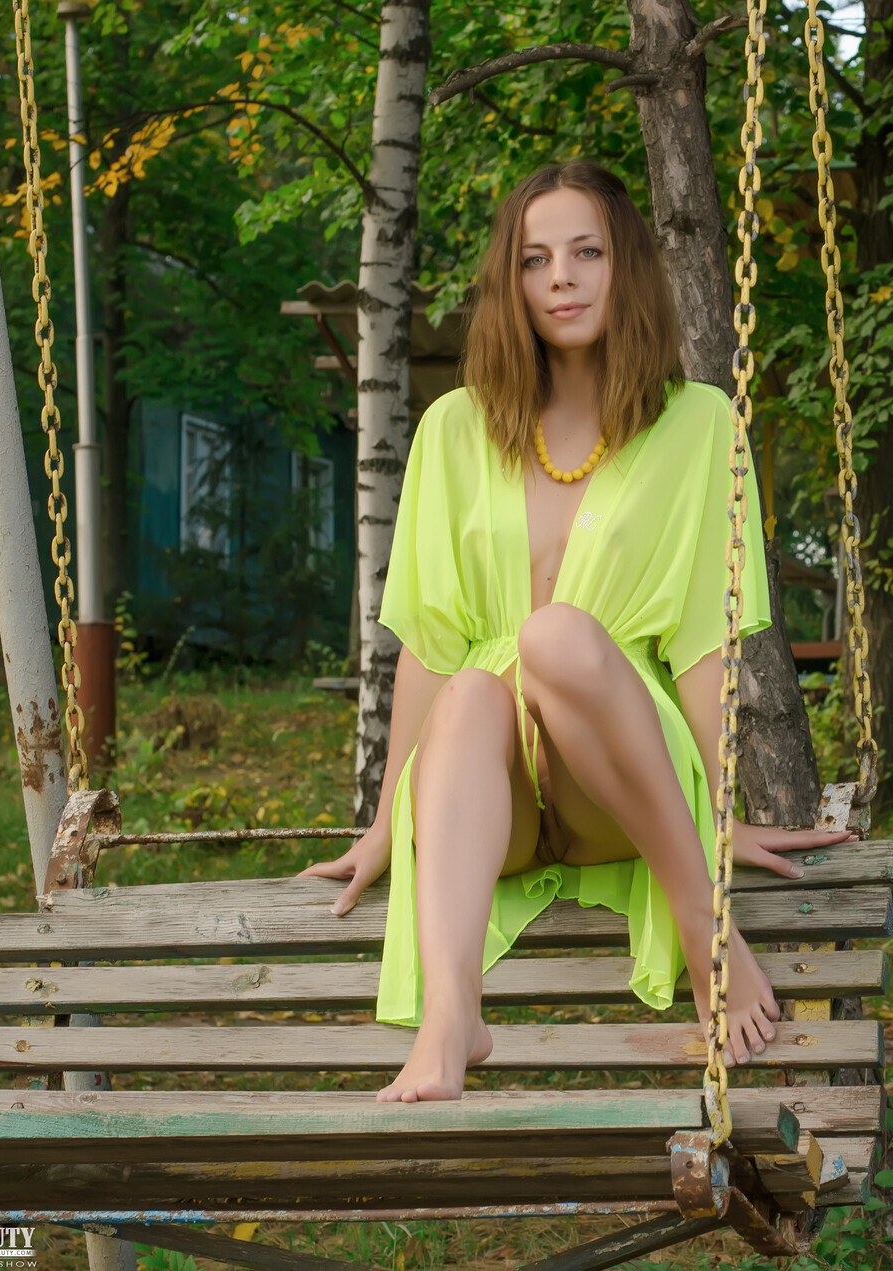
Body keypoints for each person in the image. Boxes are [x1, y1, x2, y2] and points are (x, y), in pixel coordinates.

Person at [299, 160, 854, 1103]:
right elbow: (431, 648)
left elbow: (702, 645)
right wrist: (389, 819)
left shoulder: (699, 425)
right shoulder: (453, 430)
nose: (561, 277)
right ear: (511, 282)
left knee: (554, 636)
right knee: (472, 690)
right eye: (535, 259)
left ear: (624, 264)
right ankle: (451, 1020)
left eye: (586, 252)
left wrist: (721, 816)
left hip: (618, 764)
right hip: (492, 787)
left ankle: (704, 925)